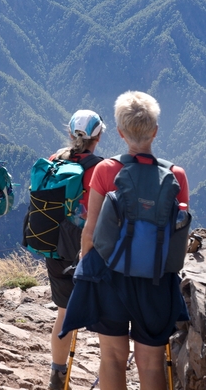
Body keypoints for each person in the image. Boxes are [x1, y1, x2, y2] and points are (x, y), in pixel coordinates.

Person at [62, 92, 190, 390]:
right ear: (155, 132)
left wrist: (85, 272)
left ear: (120, 133)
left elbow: (90, 230)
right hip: (156, 279)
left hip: (109, 276)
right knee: (151, 363)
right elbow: (177, 232)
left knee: (112, 358)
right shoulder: (176, 175)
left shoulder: (106, 170)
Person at [46, 110, 106, 390]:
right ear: (99, 135)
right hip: (92, 249)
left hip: (56, 246)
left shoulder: (54, 161)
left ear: (70, 134)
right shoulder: (102, 169)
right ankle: (110, 375)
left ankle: (58, 377)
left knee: (63, 312)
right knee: (108, 316)